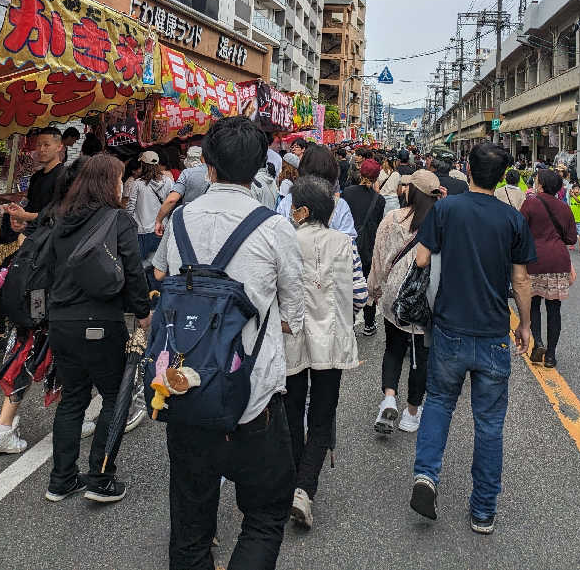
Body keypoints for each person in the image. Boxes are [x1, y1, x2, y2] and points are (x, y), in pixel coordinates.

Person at [152, 116, 304, 569]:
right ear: (260, 170)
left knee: (190, 521)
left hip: (184, 390)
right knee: (263, 515)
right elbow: (292, 315)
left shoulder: (180, 219)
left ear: (209, 167)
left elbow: (163, 275)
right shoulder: (273, 228)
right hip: (252, 400)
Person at [410, 142, 536, 535]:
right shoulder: (512, 219)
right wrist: (526, 325)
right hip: (493, 332)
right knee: (489, 423)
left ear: (468, 169)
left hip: (449, 327)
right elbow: (520, 280)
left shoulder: (447, 209)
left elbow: (421, 259)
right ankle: (482, 510)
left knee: (440, 403)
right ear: (502, 177)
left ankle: (427, 476)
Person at [45, 153, 151, 503]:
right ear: (110, 182)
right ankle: (101, 478)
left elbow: (46, 272)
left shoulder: (60, 220)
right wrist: (143, 312)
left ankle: (61, 480)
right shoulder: (118, 220)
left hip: (61, 322)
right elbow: (134, 273)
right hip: (101, 322)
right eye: (120, 178)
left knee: (72, 398)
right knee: (113, 398)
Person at [0, 157, 91, 455]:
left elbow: (25, 237)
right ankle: (71, 418)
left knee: (27, 351)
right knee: (67, 355)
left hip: (33, 297)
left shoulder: (53, 210)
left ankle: (3, 426)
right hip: (60, 299)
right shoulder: (84, 218)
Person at [285, 175, 365, 530]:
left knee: (290, 413)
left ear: (301, 211)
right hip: (330, 341)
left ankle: (293, 479)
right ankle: (304, 488)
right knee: (321, 416)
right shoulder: (344, 243)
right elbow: (360, 296)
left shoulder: (284, 241)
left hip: (292, 341)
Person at [368, 169, 441, 436]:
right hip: (425, 298)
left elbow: (378, 258)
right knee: (422, 357)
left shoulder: (393, 219)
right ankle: (412, 412)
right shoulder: (442, 223)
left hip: (393, 295)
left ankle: (389, 398)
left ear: (412, 191)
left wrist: (373, 291)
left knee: (393, 348)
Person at [521, 168, 577, 369]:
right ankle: (551, 356)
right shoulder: (564, 208)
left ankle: (538, 342)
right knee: (554, 309)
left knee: (534, 304)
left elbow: (519, 231)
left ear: (542, 184)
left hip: (534, 260)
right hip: (558, 261)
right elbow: (571, 239)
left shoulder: (530, 203)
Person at [278, 144, 357, 240]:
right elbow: (349, 240)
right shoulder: (339, 205)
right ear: (332, 171)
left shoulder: (287, 201)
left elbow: (279, 237)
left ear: (302, 168)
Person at [342, 158, 385, 335]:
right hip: (369, 246)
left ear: (360, 173)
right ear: (376, 178)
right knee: (368, 283)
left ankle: (349, 324)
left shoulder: (348, 193)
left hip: (349, 244)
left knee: (347, 283)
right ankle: (369, 323)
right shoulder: (379, 200)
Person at [4, 127, 65, 225]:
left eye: (46, 145)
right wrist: (19, 215)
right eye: (38, 145)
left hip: (47, 235)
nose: (41, 149)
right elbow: (29, 204)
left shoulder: (65, 176)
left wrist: (25, 216)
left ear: (59, 147)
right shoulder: (36, 177)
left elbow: (60, 215)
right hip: (29, 231)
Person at [153, 145, 210, 236]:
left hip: (190, 221)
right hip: (212, 221)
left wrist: (158, 220)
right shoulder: (218, 173)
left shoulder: (187, 173)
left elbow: (172, 200)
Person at [131, 150, 172, 261]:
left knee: (143, 264)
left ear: (142, 165)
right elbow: (171, 203)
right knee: (159, 264)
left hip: (142, 230)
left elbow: (130, 208)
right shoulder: (168, 181)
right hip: (162, 229)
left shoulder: (137, 184)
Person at [568, 181, 580, 253]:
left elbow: (578, 201)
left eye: (578, 189)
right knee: (572, 232)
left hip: (579, 219)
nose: (577, 190)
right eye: (575, 189)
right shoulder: (570, 197)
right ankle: (572, 244)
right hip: (572, 218)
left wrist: (573, 195)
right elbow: (568, 193)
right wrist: (571, 193)